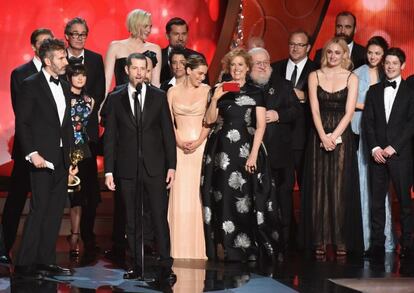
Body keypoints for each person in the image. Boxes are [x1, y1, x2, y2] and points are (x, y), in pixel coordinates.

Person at [201, 48, 282, 262]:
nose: (236, 69)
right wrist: (215, 97)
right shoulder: (218, 90)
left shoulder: (257, 92)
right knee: (224, 197)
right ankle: (226, 247)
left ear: (247, 68)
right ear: (228, 68)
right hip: (221, 152)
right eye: (233, 65)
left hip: (246, 149)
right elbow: (209, 121)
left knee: (246, 197)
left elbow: (261, 126)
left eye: (240, 65)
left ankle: (248, 247)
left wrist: (254, 155)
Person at [104, 53, 176, 282]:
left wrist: (171, 166)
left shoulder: (158, 96)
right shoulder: (115, 98)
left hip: (154, 167)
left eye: (142, 68)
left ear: (148, 71)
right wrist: (108, 170)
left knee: (158, 218)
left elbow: (167, 133)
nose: (138, 72)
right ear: (127, 70)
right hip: (127, 168)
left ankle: (166, 265)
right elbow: (110, 138)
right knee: (132, 220)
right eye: (134, 68)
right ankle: (136, 264)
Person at [14, 38, 76, 279]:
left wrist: (71, 158)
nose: (66, 61)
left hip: (61, 158)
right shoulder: (31, 85)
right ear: (48, 60)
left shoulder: (65, 85)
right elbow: (23, 123)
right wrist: (32, 153)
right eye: (61, 57)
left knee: (54, 210)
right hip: (41, 158)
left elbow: (67, 125)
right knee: (39, 209)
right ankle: (25, 262)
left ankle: (45, 259)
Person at [300, 37, 363, 256]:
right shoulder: (314, 75)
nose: (333, 56)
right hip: (318, 134)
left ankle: (340, 239)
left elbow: (349, 112)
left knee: (339, 186)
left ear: (345, 55)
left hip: (341, 135)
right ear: (324, 54)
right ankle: (319, 239)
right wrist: (323, 136)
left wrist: (334, 136)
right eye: (329, 52)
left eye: (338, 52)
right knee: (318, 187)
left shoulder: (352, 78)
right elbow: (314, 110)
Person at [3, 28, 54, 258]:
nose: (46, 46)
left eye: (49, 42)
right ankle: (4, 248)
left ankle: (40, 252)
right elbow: (22, 112)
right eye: (42, 43)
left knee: (46, 202)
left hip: (52, 148)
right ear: (33, 46)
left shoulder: (57, 72)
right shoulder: (20, 73)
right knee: (16, 198)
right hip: (27, 147)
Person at [363, 48, 414, 260]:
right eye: (387, 63)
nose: (390, 66)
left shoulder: (411, 92)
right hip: (378, 156)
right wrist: (375, 148)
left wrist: (394, 146)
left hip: (400, 155)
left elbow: (412, 123)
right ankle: (376, 245)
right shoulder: (373, 91)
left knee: (404, 203)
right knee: (376, 202)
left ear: (402, 65)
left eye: (395, 63)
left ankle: (408, 245)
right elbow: (368, 123)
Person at [249, 47, 300, 254]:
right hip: (252, 155)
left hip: (280, 154)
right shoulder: (242, 86)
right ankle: (256, 243)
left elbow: (296, 110)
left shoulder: (283, 85)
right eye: (257, 63)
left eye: (265, 62)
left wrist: (277, 115)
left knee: (283, 200)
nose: (262, 66)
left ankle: (284, 245)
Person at [64, 17, 104, 254]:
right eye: (75, 33)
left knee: (89, 191)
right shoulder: (59, 59)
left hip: (87, 137)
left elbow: (98, 92)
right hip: (64, 136)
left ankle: (87, 236)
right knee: (71, 191)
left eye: (83, 34)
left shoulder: (96, 60)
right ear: (66, 35)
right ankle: (71, 235)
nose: (79, 38)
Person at [351, 36, 394, 253]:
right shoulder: (357, 73)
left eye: (378, 53)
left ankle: (383, 241)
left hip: (385, 136)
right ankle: (365, 240)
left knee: (381, 190)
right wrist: (369, 106)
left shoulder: (388, 74)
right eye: (370, 52)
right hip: (362, 132)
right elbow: (350, 103)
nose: (373, 56)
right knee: (363, 185)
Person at [167, 54, 210, 260]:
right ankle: (177, 248)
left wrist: (199, 141)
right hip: (179, 150)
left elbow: (210, 121)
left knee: (197, 196)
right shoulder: (172, 92)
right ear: (188, 70)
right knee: (180, 196)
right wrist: (178, 141)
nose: (202, 77)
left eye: (204, 74)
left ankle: (199, 249)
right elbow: (169, 123)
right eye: (200, 73)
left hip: (200, 148)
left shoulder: (207, 91)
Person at [271, 30, 316, 188]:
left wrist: (304, 95)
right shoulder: (274, 68)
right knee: (281, 187)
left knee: (306, 185)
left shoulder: (317, 70)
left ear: (308, 47)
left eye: (300, 45)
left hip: (304, 135)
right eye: (292, 44)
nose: (295, 48)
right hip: (278, 136)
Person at [66, 63, 98, 258]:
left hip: (84, 150)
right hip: (66, 148)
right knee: (70, 195)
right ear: (69, 77)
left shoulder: (90, 100)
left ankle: (76, 237)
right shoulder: (62, 98)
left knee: (83, 196)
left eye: (83, 75)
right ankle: (73, 236)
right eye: (76, 75)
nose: (80, 78)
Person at [104, 8, 161, 91]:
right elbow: (106, 83)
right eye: (145, 26)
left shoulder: (155, 49)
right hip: (121, 99)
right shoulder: (115, 47)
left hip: (146, 101)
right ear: (135, 25)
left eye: (150, 26)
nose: (149, 30)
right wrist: (102, 103)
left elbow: (155, 83)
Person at [160, 17, 207, 84]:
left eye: (184, 34)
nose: (181, 38)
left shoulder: (198, 57)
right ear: (167, 36)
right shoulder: (158, 56)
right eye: (176, 34)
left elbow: (205, 86)